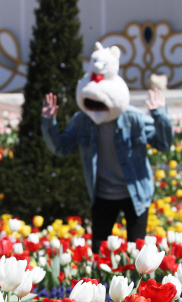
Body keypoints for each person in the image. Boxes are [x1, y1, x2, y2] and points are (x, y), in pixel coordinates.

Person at [41, 42, 173, 253]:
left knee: (137, 252)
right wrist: (49, 122)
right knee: (99, 251)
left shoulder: (134, 118)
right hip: (102, 195)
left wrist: (160, 116)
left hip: (135, 194)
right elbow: (61, 148)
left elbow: (164, 144)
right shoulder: (82, 120)